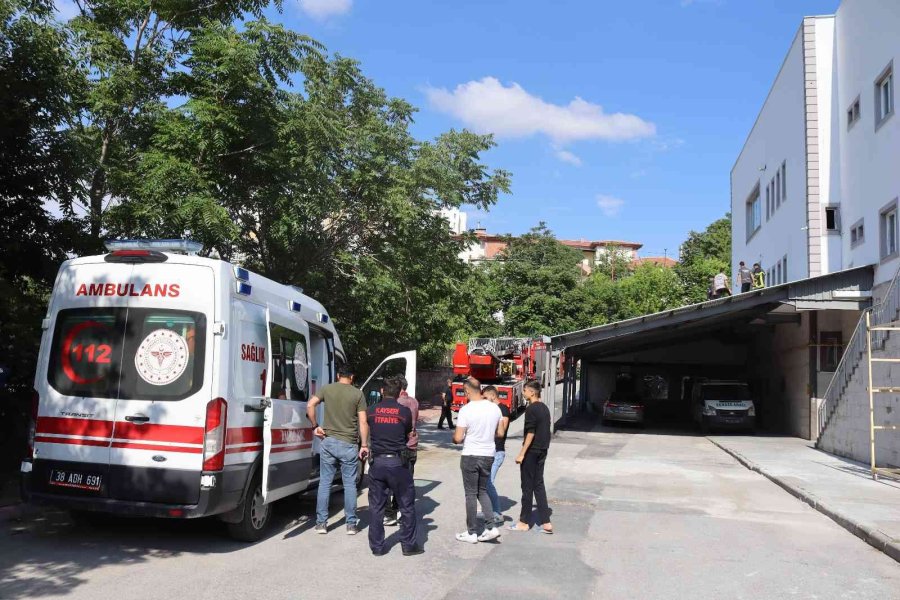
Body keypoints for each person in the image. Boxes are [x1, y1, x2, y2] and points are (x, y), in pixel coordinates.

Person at [361, 377, 423, 556]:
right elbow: (406, 433)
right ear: (398, 393)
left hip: (377, 463)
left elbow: (367, 427)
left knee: (376, 506)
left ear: (382, 391)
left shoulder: (371, 411)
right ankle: (408, 546)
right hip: (398, 463)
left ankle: (377, 547)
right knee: (406, 505)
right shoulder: (404, 411)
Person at [306, 365, 368, 535]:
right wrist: (364, 445)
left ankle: (321, 524)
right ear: (352, 377)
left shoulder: (327, 389)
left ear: (338, 375)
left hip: (329, 442)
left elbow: (310, 405)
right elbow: (363, 422)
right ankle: (351, 525)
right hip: (348, 444)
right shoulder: (358, 394)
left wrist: (314, 426)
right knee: (349, 485)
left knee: (325, 483)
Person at [452, 378, 503, 543]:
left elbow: (458, 438)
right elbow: (500, 433)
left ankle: (471, 532)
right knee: (482, 491)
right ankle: (491, 527)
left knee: (470, 494)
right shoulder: (495, 408)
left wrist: (456, 438)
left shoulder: (466, 410)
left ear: (466, 391)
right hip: (488, 454)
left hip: (471, 456)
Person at [509, 380, 553, 534]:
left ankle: (524, 522)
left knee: (527, 487)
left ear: (532, 392)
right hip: (542, 449)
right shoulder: (545, 408)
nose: (523, 392)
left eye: (525, 390)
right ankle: (546, 522)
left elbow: (531, 432)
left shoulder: (532, 409)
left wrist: (522, 453)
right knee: (538, 484)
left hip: (532, 451)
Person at [384, 376, 418, 526]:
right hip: (412, 447)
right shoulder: (414, 401)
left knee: (387, 482)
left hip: (396, 447)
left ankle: (389, 514)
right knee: (405, 482)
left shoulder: (397, 403)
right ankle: (400, 511)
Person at [482, 386, 510, 527]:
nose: (485, 401)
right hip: (490, 450)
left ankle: (497, 513)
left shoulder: (503, 409)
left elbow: (502, 431)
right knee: (485, 483)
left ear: (493, 396)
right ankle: (488, 510)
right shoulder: (491, 410)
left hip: (497, 451)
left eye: (486, 398)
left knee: (488, 483)